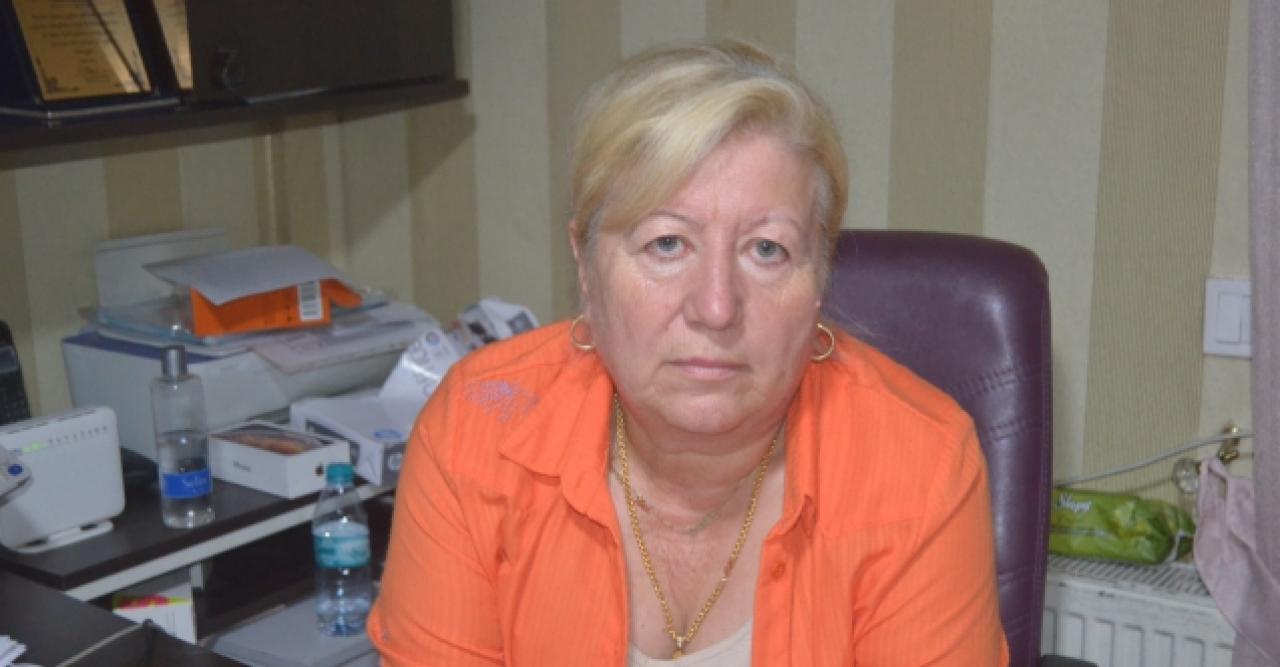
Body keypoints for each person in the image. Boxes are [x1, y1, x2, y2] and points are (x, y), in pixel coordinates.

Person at [369, 40, 1008, 666]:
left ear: (820, 274)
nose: (716, 307)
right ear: (585, 265)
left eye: (766, 250)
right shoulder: (476, 430)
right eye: (667, 244)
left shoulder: (920, 465)